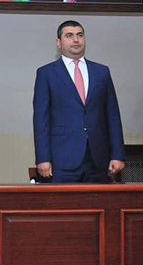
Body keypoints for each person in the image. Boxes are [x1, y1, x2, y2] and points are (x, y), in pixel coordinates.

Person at [33, 20, 125, 183]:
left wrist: (117, 155)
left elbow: (113, 116)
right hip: (62, 160)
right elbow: (41, 119)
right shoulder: (46, 73)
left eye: (80, 35)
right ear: (58, 42)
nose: (76, 40)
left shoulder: (101, 72)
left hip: (98, 159)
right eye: (69, 36)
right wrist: (43, 158)